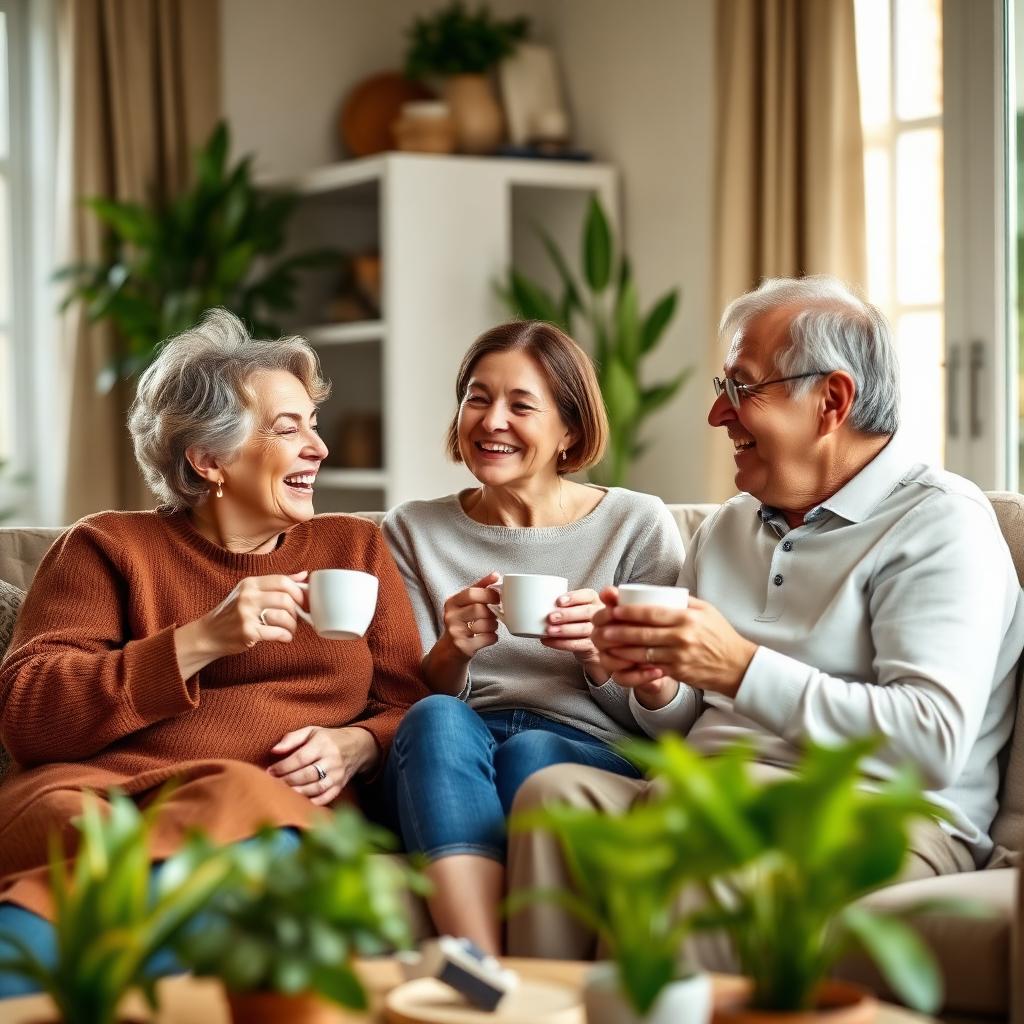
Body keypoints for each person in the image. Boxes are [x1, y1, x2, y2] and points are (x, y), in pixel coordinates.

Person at [506, 276, 1024, 960]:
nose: (718, 416)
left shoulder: (939, 523)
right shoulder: (727, 528)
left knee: (700, 838)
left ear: (831, 401)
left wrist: (741, 666)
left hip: (874, 817)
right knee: (554, 798)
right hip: (712, 792)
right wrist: (658, 685)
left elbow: (932, 740)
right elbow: (685, 720)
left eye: (742, 389)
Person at [0, 309, 427, 995]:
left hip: (267, 809)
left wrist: (362, 746)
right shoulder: (107, 547)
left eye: (312, 424)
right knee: (127, 840)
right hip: (103, 803)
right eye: (288, 429)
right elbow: (29, 714)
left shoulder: (354, 550)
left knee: (255, 819)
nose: (318, 447)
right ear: (209, 459)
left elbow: (410, 707)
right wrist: (201, 642)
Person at [380, 320, 686, 952]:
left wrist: (602, 659)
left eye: (521, 405)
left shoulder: (636, 524)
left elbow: (673, 718)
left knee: (532, 758)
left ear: (568, 430)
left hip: (591, 744)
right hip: (454, 745)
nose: (492, 421)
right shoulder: (412, 529)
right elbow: (402, 699)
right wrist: (451, 652)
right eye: (477, 398)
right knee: (437, 714)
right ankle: (487, 969)